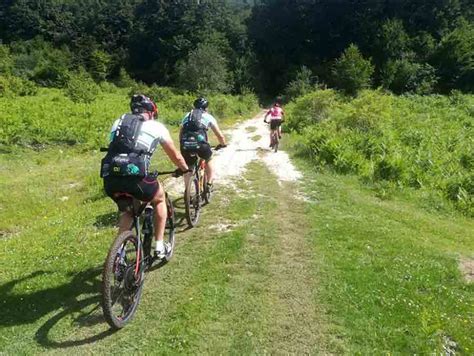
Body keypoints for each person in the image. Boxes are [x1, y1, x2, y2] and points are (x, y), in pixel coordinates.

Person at [101, 94, 189, 258]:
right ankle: (159, 247)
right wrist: (184, 169)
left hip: (110, 178)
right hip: (137, 179)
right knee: (159, 198)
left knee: (128, 211)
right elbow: (175, 155)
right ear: (151, 112)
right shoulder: (156, 126)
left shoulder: (118, 122)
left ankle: (118, 253)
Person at [179, 97, 226, 189]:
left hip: (185, 144)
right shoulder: (208, 116)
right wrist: (223, 144)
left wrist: (182, 144)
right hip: (201, 145)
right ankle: (209, 183)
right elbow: (219, 135)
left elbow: (181, 132)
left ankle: (187, 191)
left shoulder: (187, 115)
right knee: (209, 159)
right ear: (206, 108)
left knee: (189, 167)